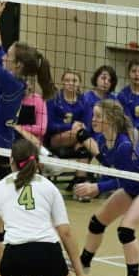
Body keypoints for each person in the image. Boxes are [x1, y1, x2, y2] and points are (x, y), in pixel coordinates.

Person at [0, 0, 55, 276]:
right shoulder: (10, 78)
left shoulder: (11, 84)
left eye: (10, 54)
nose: (4, 54)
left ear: (18, 64)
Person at [74, 99, 139, 276]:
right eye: (94, 115)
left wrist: (97, 187)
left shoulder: (124, 144)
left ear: (111, 120)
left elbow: (125, 177)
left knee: (125, 230)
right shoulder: (102, 139)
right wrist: (86, 141)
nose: (93, 120)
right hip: (132, 186)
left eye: (98, 116)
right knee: (96, 223)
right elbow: (110, 166)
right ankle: (83, 264)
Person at [0, 139, 89, 276]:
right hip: (48, 253)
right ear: (37, 161)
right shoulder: (49, 186)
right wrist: (79, 272)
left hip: (15, 255)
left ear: (11, 160)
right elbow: (65, 233)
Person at [46, 70, 91, 199]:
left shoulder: (83, 101)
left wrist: (78, 128)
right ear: (62, 82)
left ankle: (79, 182)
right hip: (55, 139)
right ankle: (80, 183)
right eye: (67, 80)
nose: (71, 83)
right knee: (84, 138)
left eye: (74, 81)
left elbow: (87, 123)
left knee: (84, 149)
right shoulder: (54, 99)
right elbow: (49, 126)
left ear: (79, 84)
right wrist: (70, 127)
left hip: (77, 139)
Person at [79, 65, 118, 137]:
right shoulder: (86, 98)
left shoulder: (114, 99)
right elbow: (87, 126)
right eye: (103, 78)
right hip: (93, 136)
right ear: (96, 78)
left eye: (110, 80)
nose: (106, 82)